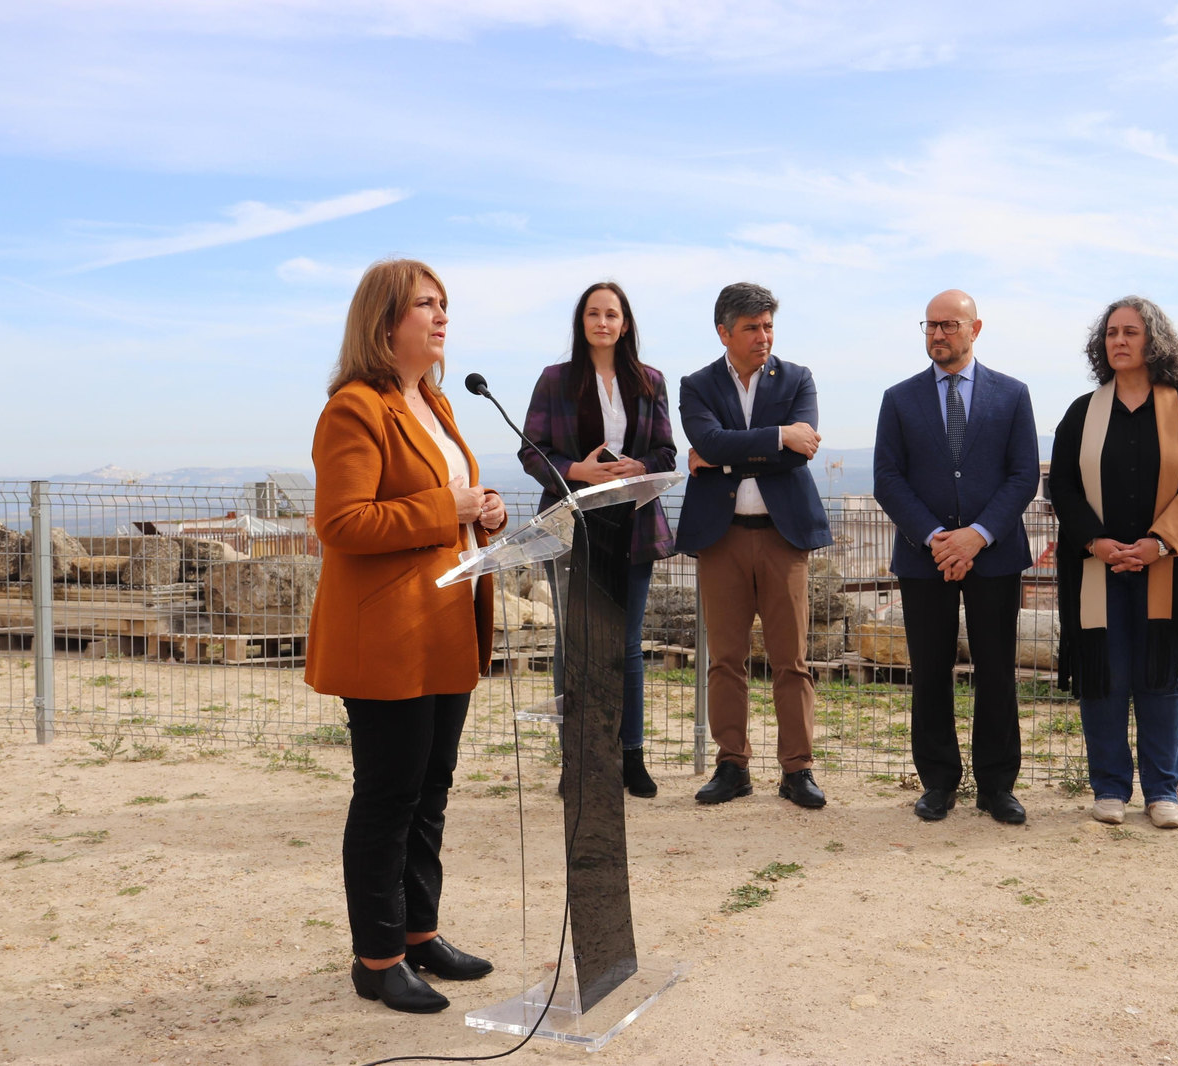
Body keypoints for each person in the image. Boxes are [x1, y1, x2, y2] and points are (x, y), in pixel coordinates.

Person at [305, 258, 507, 1014]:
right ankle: (377, 958)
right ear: (385, 322)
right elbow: (342, 523)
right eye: (426, 304)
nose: (441, 315)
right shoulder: (353, 409)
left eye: (444, 304)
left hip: (446, 627)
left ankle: (421, 935)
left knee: (431, 793)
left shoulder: (437, 403)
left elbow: (446, 504)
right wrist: (445, 506)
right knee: (388, 796)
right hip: (386, 640)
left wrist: (482, 511)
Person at [1048, 295, 1178, 830]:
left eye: (1131, 332)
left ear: (1154, 340)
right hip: (1096, 567)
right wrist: (1097, 542)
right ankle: (1109, 788)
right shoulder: (1082, 411)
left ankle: (1163, 791)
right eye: (1111, 333)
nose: (1119, 341)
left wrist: (1158, 543)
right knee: (1104, 675)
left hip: (1165, 566)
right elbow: (1063, 487)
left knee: (1159, 676)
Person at [872, 290, 1040, 824]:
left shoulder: (1012, 395)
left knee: (996, 672)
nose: (937, 335)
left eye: (948, 325)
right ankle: (938, 784)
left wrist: (978, 535)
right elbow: (887, 478)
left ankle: (997, 787)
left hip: (994, 556)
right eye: (930, 326)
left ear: (975, 328)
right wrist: (937, 537)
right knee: (930, 672)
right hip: (925, 559)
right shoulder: (898, 399)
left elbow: (1023, 475)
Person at [518, 281, 677, 797]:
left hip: (632, 527)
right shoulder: (555, 380)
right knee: (576, 643)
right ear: (581, 322)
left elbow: (666, 453)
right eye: (593, 313)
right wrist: (575, 470)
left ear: (625, 323)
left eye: (612, 314)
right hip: (571, 527)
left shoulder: (650, 381)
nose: (603, 322)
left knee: (627, 645)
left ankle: (631, 756)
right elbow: (532, 451)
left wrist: (641, 465)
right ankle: (580, 761)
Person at [677, 282, 833, 809]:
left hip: (782, 539)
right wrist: (774, 437)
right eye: (752, 327)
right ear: (724, 332)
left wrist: (722, 455)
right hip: (720, 539)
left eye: (768, 325)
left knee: (791, 660)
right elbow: (711, 440)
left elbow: (800, 451)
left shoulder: (797, 378)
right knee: (726, 660)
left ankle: (798, 771)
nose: (763, 336)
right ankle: (732, 766)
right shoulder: (696, 385)